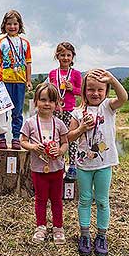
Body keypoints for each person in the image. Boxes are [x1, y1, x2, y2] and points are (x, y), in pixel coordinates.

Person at [68, 68, 128, 256]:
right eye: (91, 89)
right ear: (84, 90)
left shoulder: (108, 107)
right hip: (83, 165)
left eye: (100, 90)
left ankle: (101, 236)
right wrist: (82, 128)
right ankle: (84, 235)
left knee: (102, 201)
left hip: (104, 164)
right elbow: (69, 137)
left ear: (106, 91)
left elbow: (124, 97)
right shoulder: (77, 113)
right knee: (85, 199)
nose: (95, 93)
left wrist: (112, 79)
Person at [20, 83, 69, 244]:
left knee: (56, 199)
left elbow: (65, 143)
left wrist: (60, 151)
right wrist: (34, 147)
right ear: (35, 102)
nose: (47, 104)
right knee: (40, 199)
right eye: (43, 100)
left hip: (56, 168)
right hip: (38, 169)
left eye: (51, 101)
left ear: (56, 104)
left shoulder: (60, 124)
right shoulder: (30, 123)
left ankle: (58, 227)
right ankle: (41, 226)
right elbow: (23, 141)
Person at [0, 9, 32, 150]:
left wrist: (28, 80)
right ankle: (1, 136)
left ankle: (16, 137)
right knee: (2, 111)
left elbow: (28, 62)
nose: (12, 27)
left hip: (20, 81)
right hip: (3, 80)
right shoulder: (0, 42)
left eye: (15, 24)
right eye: (9, 24)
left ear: (20, 25)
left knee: (18, 111)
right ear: (4, 25)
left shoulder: (25, 43)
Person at [47, 42, 82, 179]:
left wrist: (72, 89)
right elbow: (49, 92)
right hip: (55, 111)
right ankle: (59, 165)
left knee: (71, 138)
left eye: (68, 55)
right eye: (62, 55)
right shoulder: (52, 74)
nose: (65, 58)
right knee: (56, 138)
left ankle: (72, 165)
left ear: (73, 57)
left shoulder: (76, 74)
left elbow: (81, 92)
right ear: (57, 56)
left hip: (70, 111)